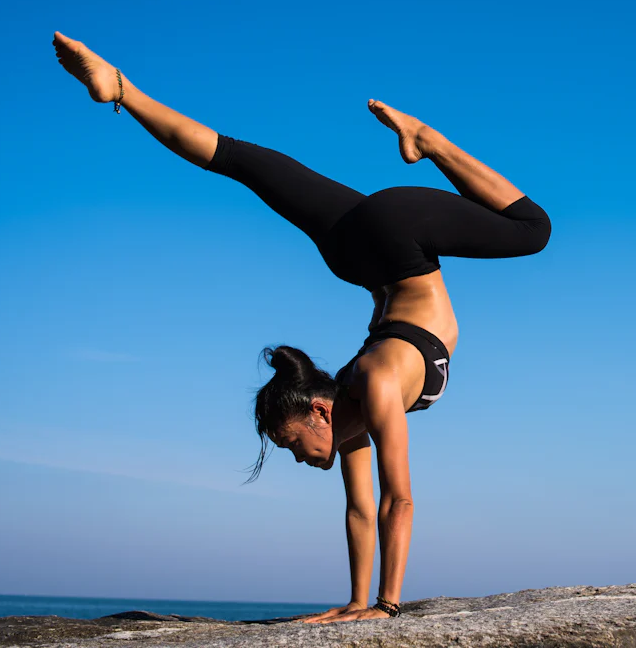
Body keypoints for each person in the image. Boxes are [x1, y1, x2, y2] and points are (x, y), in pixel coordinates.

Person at [51, 31, 551, 624]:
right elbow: (361, 511)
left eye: (290, 443)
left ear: (319, 410)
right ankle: (121, 90)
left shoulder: (375, 385)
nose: (297, 458)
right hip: (357, 251)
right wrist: (356, 604)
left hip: (398, 237)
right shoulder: (351, 410)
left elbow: (400, 499)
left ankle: (427, 140)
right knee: (238, 161)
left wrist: (387, 608)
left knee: (532, 229)